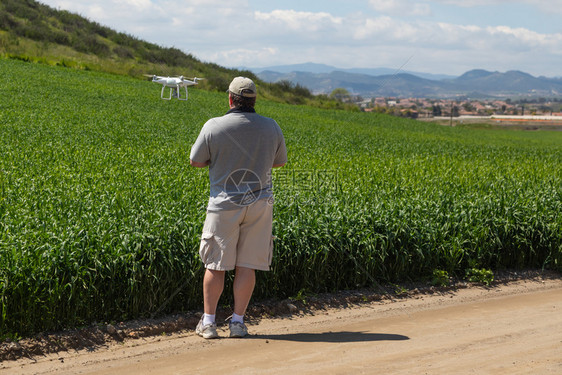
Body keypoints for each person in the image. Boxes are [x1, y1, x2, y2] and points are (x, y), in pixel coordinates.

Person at [189, 77, 287, 339]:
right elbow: (279, 163)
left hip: (224, 203)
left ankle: (209, 324)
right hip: (260, 203)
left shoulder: (214, 126)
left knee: (216, 264)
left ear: (230, 99)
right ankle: (238, 323)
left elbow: (195, 162)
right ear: (254, 100)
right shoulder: (271, 127)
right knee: (247, 265)